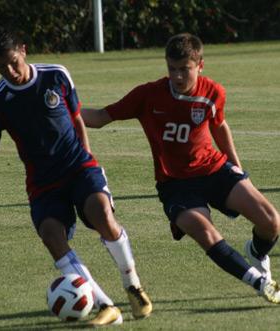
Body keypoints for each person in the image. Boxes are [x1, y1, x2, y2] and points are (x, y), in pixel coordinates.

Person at [82, 32, 280, 303]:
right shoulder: (148, 95)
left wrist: (237, 168)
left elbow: (219, 126)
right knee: (205, 232)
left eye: (184, 69)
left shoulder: (213, 92)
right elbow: (101, 117)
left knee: (271, 221)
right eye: (171, 69)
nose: (177, 77)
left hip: (214, 170)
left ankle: (257, 253)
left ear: (200, 65)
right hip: (175, 185)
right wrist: (63, 110)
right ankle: (259, 283)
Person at [0, 28, 152, 326]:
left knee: (103, 216)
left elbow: (76, 119)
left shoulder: (56, 75)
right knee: (51, 235)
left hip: (78, 166)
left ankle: (133, 285)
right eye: (0, 67)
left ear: (23, 50)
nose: (9, 71)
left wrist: (88, 160)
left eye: (12, 62)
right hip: (42, 182)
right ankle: (104, 305)